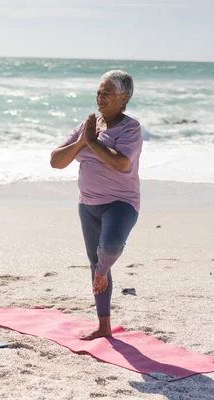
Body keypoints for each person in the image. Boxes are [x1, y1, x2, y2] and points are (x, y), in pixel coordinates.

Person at [50, 70, 142, 340]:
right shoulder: (88, 125)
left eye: (107, 93)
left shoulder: (131, 128)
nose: (100, 97)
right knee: (95, 259)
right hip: (88, 204)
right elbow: (56, 161)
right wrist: (82, 140)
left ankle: (103, 270)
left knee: (109, 250)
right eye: (98, 92)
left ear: (123, 98)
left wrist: (91, 142)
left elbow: (121, 162)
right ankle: (104, 326)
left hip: (121, 202)